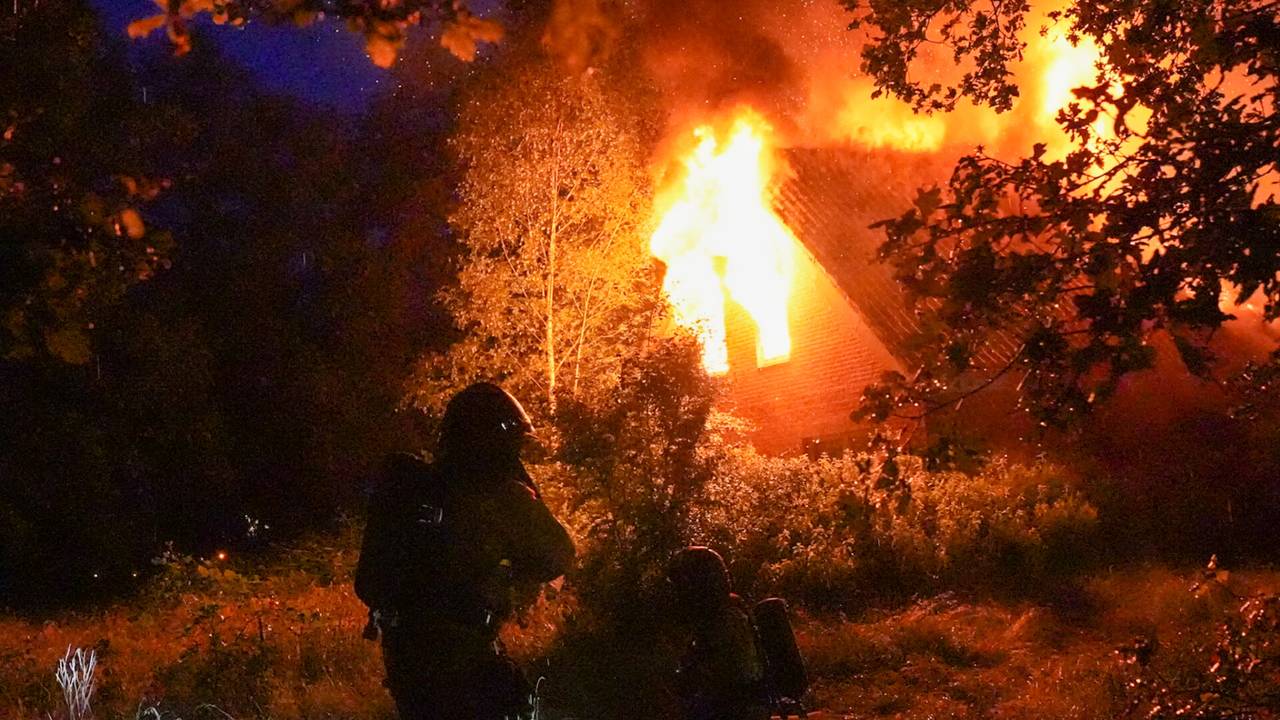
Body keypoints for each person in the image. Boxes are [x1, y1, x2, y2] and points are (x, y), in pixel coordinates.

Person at [355, 382, 575, 720]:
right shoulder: (501, 498)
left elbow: (374, 582)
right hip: (463, 665)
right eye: (511, 445)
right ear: (492, 444)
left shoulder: (420, 491)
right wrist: (524, 497)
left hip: (408, 660)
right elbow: (558, 554)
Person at [668, 546, 770, 720]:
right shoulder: (722, 613)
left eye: (683, 586)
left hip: (738, 709)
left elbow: (718, 677)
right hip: (735, 704)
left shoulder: (726, 622)